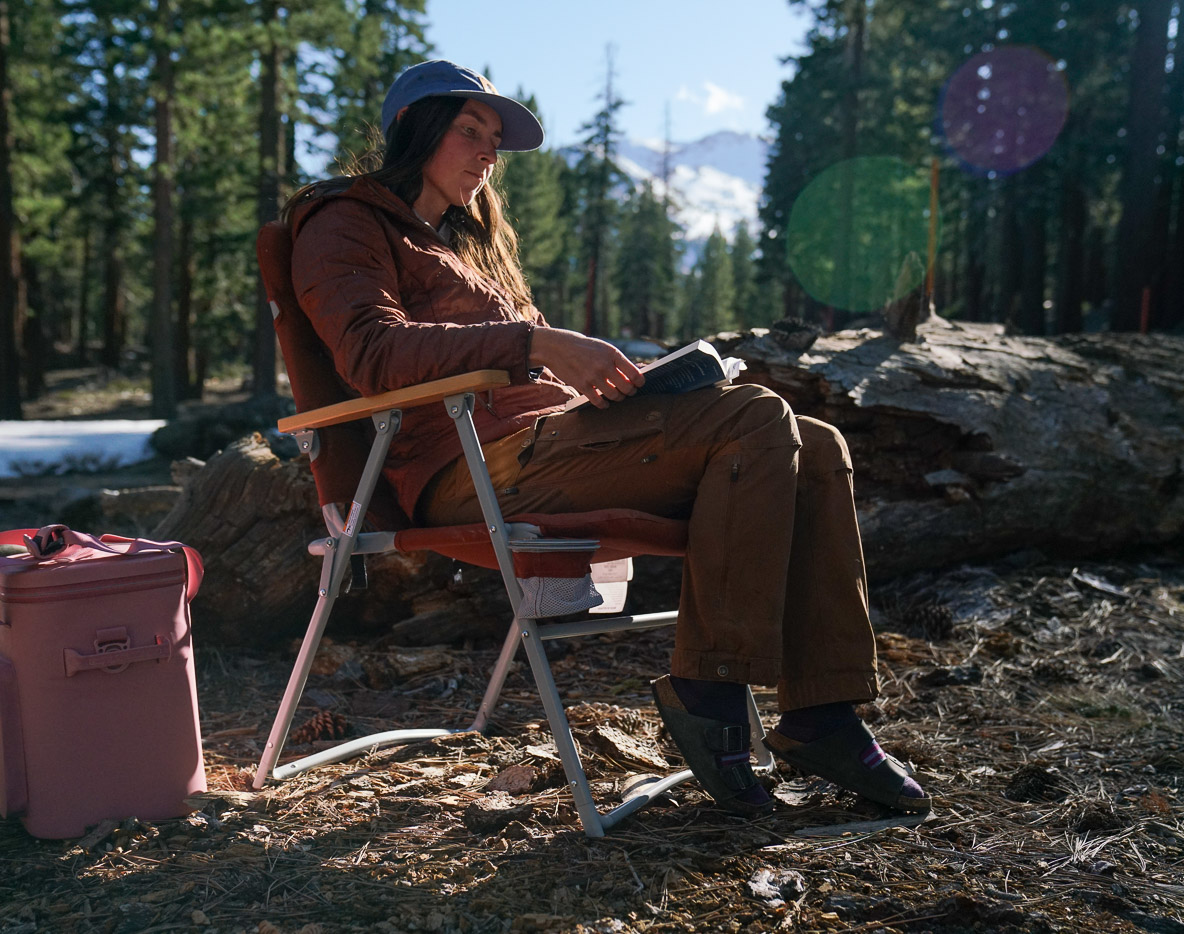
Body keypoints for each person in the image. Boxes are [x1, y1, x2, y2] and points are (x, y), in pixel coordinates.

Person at [284, 60, 931, 817]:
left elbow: (523, 361)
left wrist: (620, 382)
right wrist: (540, 343)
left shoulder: (464, 247)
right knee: (757, 419)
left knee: (817, 445)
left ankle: (822, 713)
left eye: (496, 140)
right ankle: (708, 690)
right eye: (470, 130)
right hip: (471, 467)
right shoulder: (342, 221)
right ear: (412, 129)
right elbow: (371, 354)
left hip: (552, 440)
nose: (489, 153)